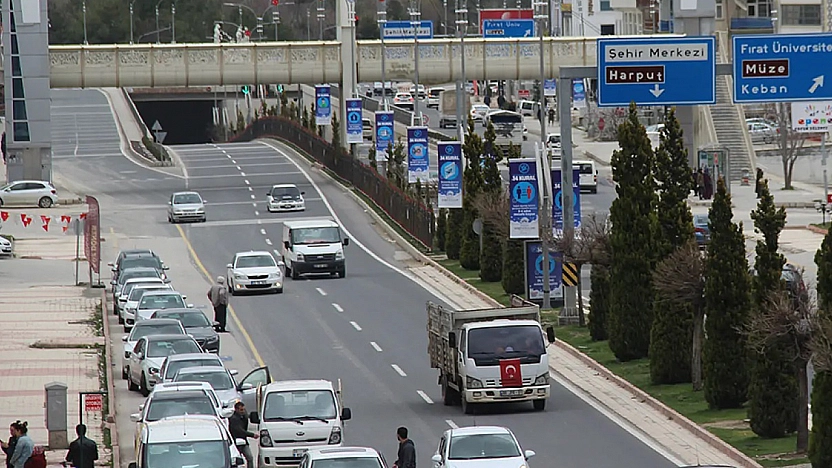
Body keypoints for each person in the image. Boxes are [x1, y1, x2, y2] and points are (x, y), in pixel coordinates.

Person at [228, 402, 258, 467]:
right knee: (236, 460)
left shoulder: (244, 417)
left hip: (244, 441)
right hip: (236, 443)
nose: (243, 411)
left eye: (244, 409)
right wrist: (252, 435)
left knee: (250, 457)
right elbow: (240, 431)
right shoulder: (234, 419)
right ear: (236, 409)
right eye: (241, 410)